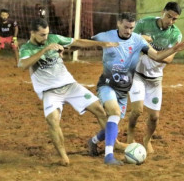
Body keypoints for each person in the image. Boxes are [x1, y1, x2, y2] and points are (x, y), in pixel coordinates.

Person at [87, 12, 184, 165]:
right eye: (125, 27)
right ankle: (109, 156)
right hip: (107, 84)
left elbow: (156, 56)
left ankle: (94, 140)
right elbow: (84, 41)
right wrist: (60, 45)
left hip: (123, 88)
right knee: (115, 113)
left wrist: (175, 49)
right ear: (118, 24)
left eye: (131, 28)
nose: (128, 31)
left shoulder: (138, 40)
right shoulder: (107, 36)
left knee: (114, 120)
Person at [18, 18, 119, 166]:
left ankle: (113, 143)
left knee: (100, 110)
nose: (45, 38)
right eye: (41, 35)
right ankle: (64, 156)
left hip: (70, 86)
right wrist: (44, 50)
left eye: (46, 34)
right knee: (52, 120)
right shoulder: (26, 48)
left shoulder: (54, 38)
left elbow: (77, 42)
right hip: (50, 92)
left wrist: (102, 44)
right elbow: (22, 65)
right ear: (32, 33)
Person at [127, 2, 183, 154]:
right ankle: (130, 135)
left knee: (154, 118)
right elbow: (130, 41)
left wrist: (150, 52)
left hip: (155, 79)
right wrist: (141, 40)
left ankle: (147, 139)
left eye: (174, 19)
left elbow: (169, 59)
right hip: (137, 73)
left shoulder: (176, 34)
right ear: (162, 11)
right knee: (137, 110)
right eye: (168, 16)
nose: (170, 21)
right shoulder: (145, 23)